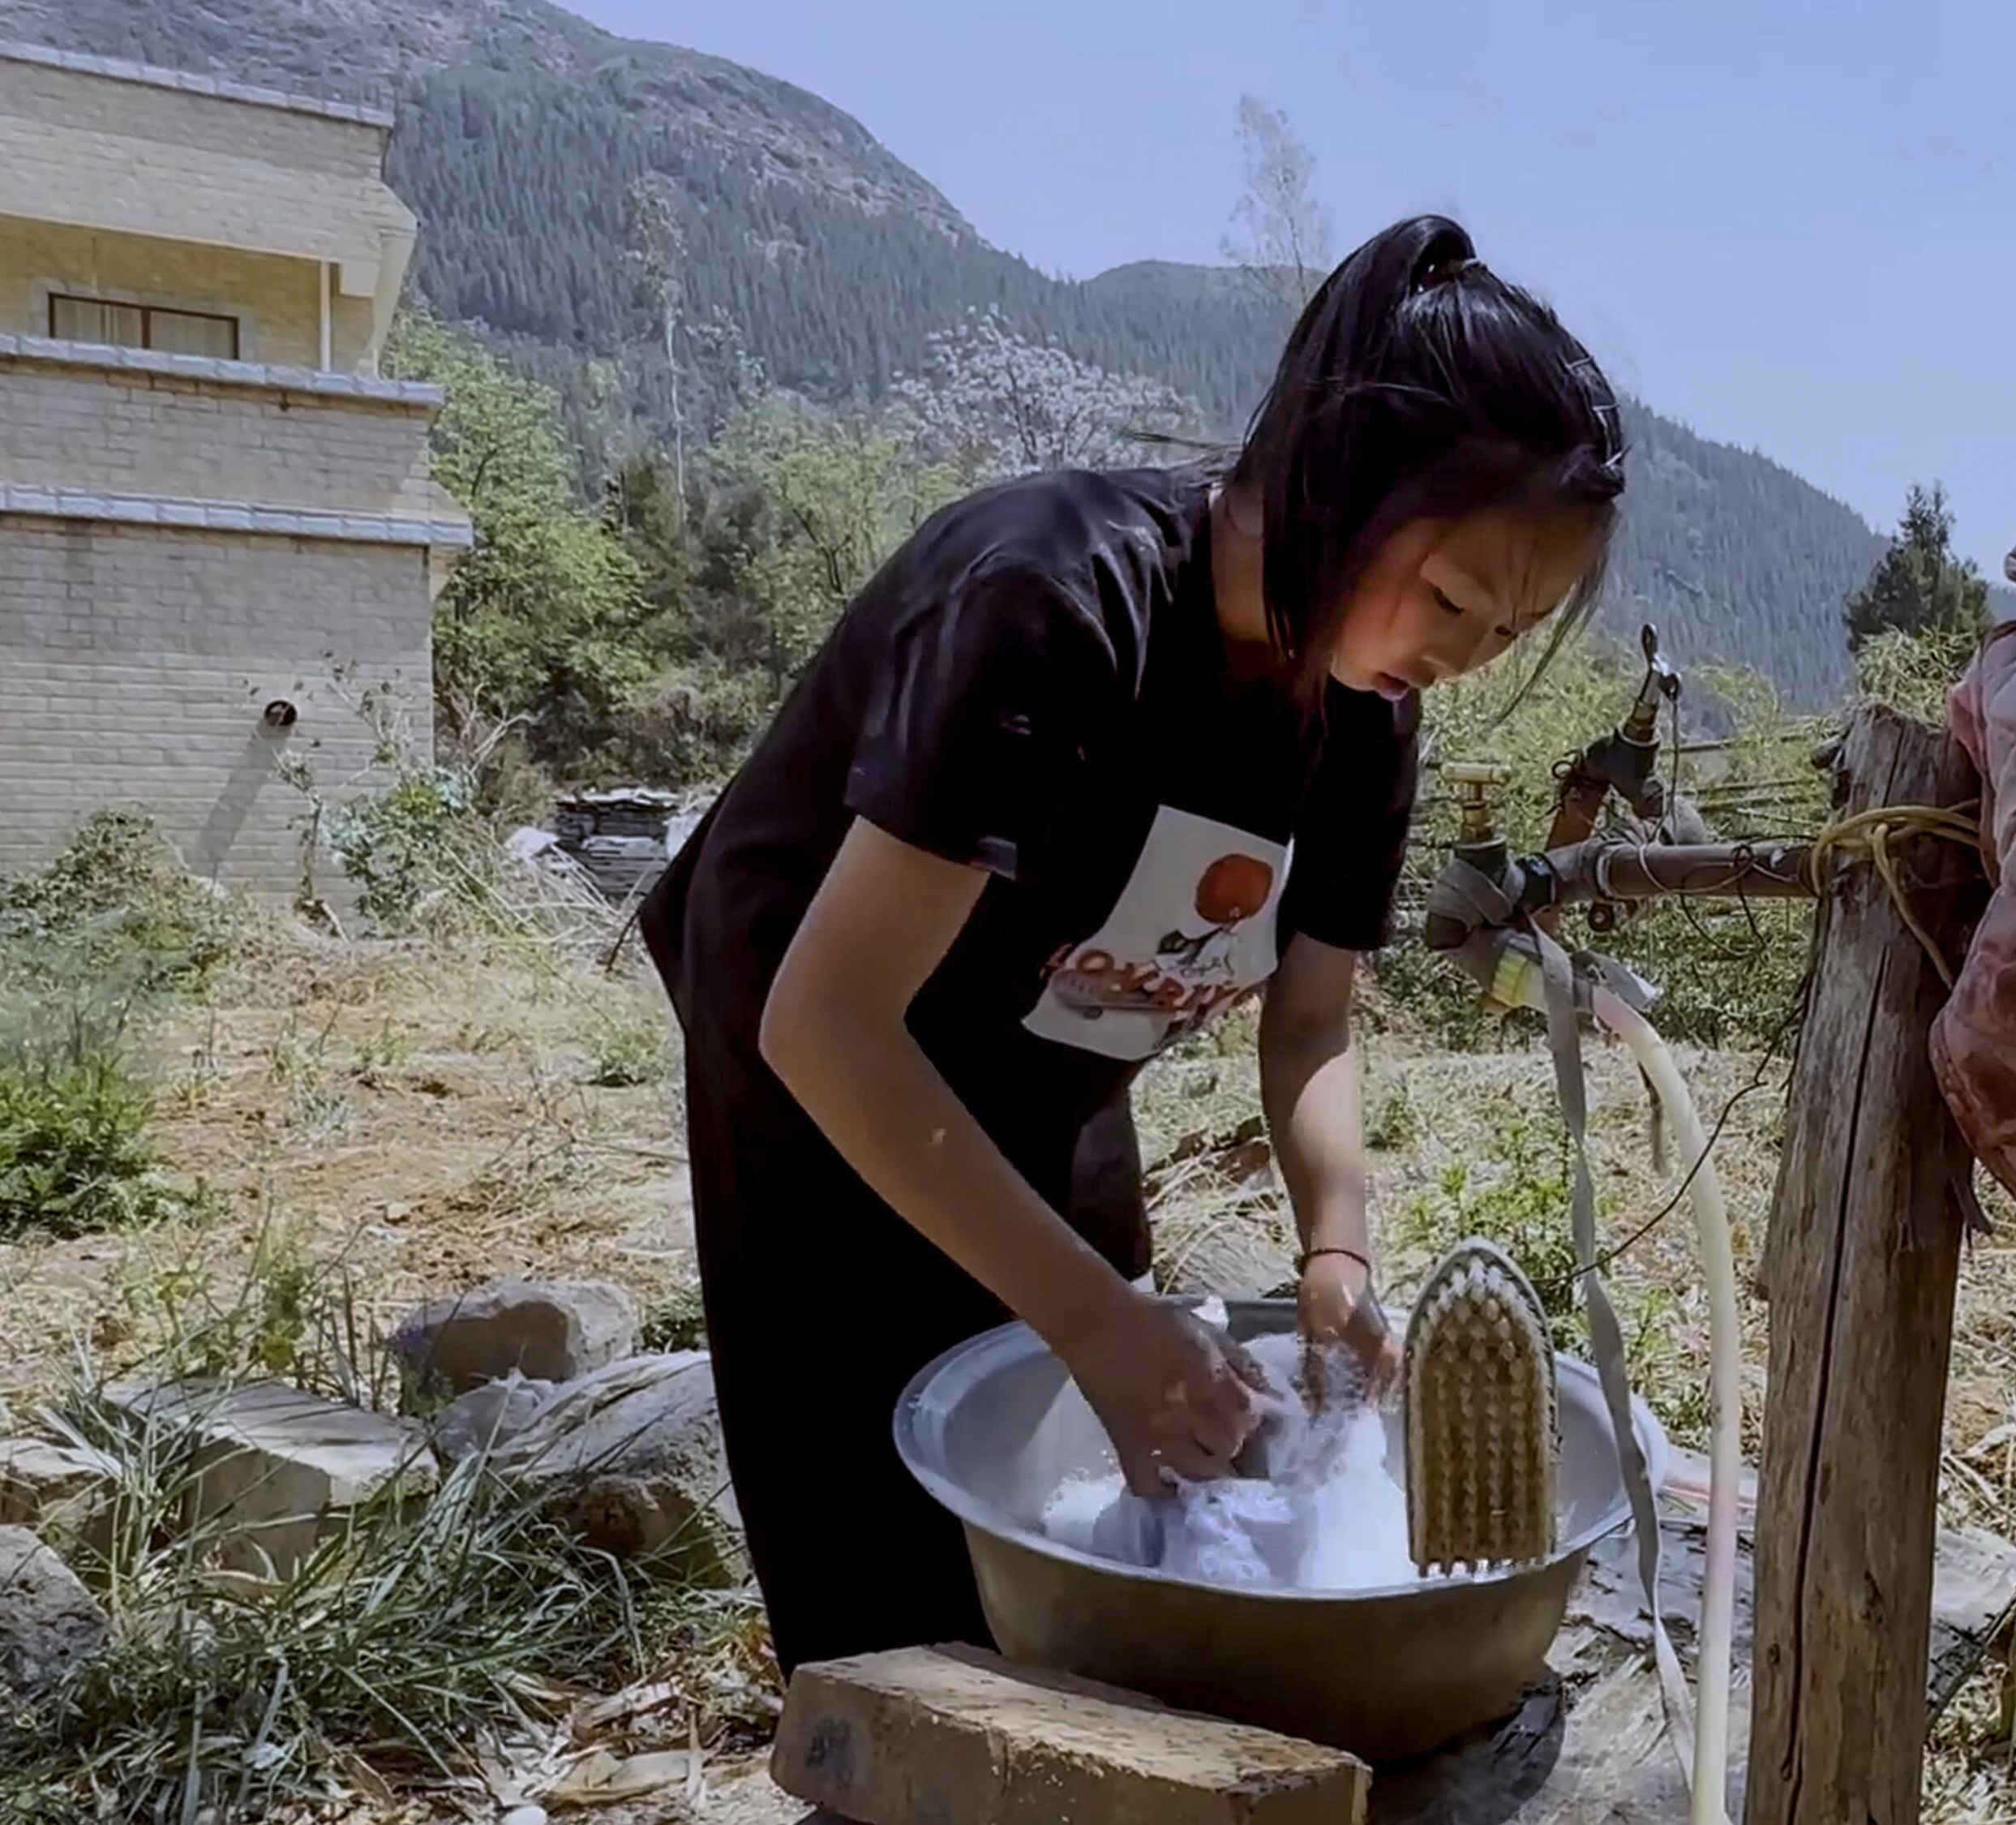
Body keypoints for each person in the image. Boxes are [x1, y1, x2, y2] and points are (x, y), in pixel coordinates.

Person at [637, 213, 1628, 1672]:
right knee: (882, 1552)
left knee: (1110, 1480)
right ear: (1335, 478)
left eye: (1511, 628)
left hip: (1053, 1056)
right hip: (821, 1057)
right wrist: (1100, 1323)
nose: (1465, 652)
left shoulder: (1363, 714)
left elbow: (1313, 1026)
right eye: (1454, 598)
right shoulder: (1052, 597)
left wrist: (1335, 1251)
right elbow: (828, 1021)